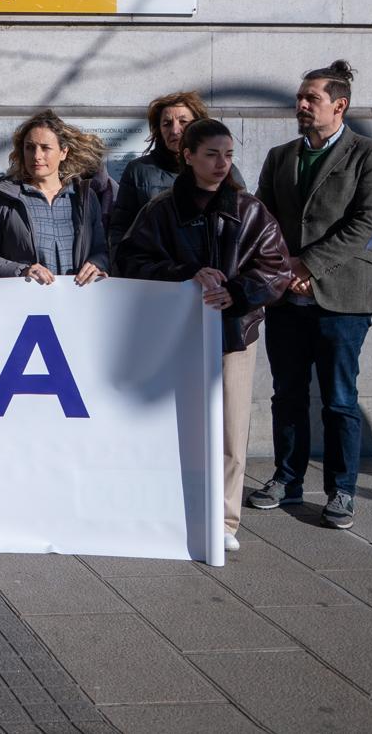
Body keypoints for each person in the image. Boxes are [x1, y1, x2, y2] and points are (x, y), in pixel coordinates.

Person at [115, 118, 292, 552]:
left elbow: (277, 269)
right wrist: (184, 276)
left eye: (228, 154)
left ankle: (226, 520)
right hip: (175, 337)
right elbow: (132, 261)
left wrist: (238, 291)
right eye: (211, 154)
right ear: (188, 155)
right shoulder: (161, 210)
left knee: (232, 428)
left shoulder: (249, 210)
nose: (221, 163)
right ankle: (174, 506)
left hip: (235, 336)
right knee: (173, 425)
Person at [246, 60, 372, 530]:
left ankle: (341, 490)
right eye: (300, 98)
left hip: (343, 299)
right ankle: (286, 479)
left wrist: (307, 264)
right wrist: (283, 269)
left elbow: (367, 223)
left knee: (338, 399)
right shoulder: (280, 155)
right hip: (288, 297)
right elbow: (263, 219)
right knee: (286, 394)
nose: (302, 105)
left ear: (340, 105)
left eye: (312, 98)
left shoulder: (370, 155)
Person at [0, 110, 109, 285]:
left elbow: (100, 250)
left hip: (75, 303)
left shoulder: (84, 198)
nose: (36, 156)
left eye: (45, 148)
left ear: (63, 152)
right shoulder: (2, 198)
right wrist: (21, 271)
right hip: (22, 305)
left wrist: (96, 264)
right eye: (30, 147)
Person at [108, 90, 209, 259]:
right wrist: (127, 265)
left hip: (210, 273)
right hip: (157, 273)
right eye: (167, 124)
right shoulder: (138, 170)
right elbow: (120, 229)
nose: (175, 130)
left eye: (183, 121)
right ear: (158, 130)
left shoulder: (221, 168)